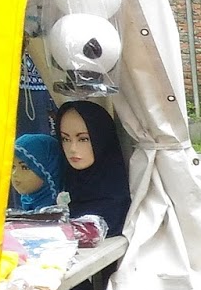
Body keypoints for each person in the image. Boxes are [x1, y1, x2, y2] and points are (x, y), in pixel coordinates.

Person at [57, 100, 131, 236]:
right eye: (65, 139)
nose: (72, 148)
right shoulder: (71, 187)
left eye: (83, 139)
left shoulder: (115, 207)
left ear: (102, 139)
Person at [12, 134, 65, 212]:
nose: (14, 173)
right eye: (13, 166)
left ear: (49, 170)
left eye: (25, 167)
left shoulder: (65, 212)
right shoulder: (21, 208)